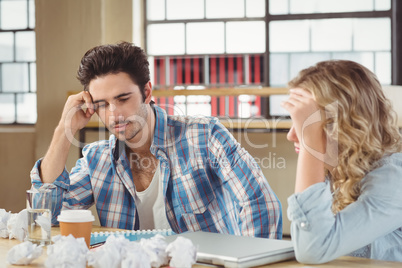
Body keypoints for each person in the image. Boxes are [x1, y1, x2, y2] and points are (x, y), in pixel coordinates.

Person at [30, 42, 282, 239]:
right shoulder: (97, 159)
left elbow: (260, 205)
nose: (113, 114)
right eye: (102, 105)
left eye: (122, 99)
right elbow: (46, 218)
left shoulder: (204, 136)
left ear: (147, 92)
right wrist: (64, 129)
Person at [281, 60, 402, 263]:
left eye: (305, 124)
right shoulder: (335, 174)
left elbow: (312, 249)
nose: (291, 135)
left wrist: (310, 142)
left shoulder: (394, 180)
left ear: (345, 125)